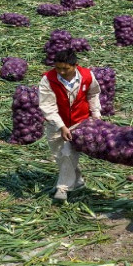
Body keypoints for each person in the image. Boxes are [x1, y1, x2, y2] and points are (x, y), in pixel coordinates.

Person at [38, 49, 101, 202]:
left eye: (65, 68)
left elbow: (93, 93)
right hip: (56, 124)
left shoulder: (86, 75)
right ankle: (78, 182)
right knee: (60, 156)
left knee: (67, 153)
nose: (61, 72)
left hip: (80, 122)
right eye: (58, 68)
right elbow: (48, 107)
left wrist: (96, 114)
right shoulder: (48, 80)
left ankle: (62, 188)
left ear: (75, 65)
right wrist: (61, 126)